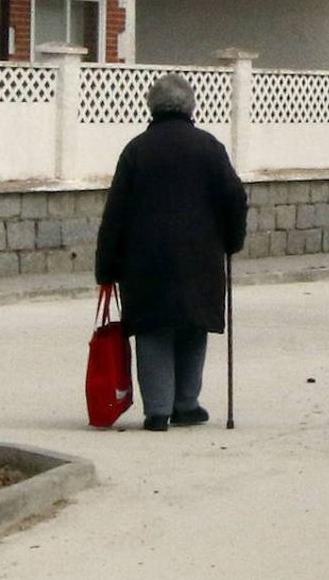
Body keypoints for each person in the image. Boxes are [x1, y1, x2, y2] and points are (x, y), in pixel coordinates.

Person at [95, 74, 247, 432]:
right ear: (191, 105)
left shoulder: (137, 150)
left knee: (153, 328)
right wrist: (232, 240)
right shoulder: (209, 147)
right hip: (200, 256)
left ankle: (158, 410)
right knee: (194, 325)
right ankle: (186, 404)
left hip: (145, 259)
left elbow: (115, 212)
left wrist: (106, 267)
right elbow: (235, 197)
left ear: (152, 106)